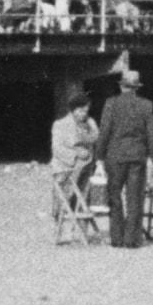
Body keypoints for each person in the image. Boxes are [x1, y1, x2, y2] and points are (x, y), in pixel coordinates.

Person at [93, 65, 153, 249]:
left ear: (122, 86)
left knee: (114, 196)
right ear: (137, 87)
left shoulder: (111, 103)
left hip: (114, 156)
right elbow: (152, 134)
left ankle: (117, 238)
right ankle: (132, 239)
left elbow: (104, 131)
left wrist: (99, 155)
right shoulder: (146, 105)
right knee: (135, 198)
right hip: (137, 156)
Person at [49, 95, 99, 239]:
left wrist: (91, 128)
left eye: (86, 111)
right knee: (63, 197)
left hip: (86, 165)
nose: (83, 114)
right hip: (66, 167)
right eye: (80, 110)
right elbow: (57, 148)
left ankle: (83, 231)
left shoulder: (89, 124)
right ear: (73, 110)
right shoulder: (60, 124)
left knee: (85, 196)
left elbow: (96, 138)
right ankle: (60, 230)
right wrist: (75, 154)